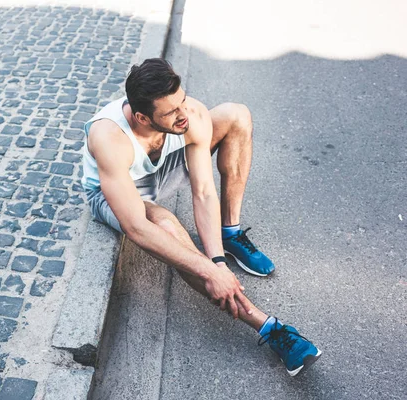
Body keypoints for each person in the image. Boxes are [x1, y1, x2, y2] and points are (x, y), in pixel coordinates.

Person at [81, 58, 321, 376]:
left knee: (236, 115)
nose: (185, 113)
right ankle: (270, 328)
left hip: (161, 170)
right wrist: (208, 271)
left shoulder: (187, 114)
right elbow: (136, 227)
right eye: (171, 111)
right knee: (164, 223)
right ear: (141, 117)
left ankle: (230, 234)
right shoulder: (109, 137)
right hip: (116, 193)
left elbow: (204, 191)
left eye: (182, 100)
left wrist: (217, 260)